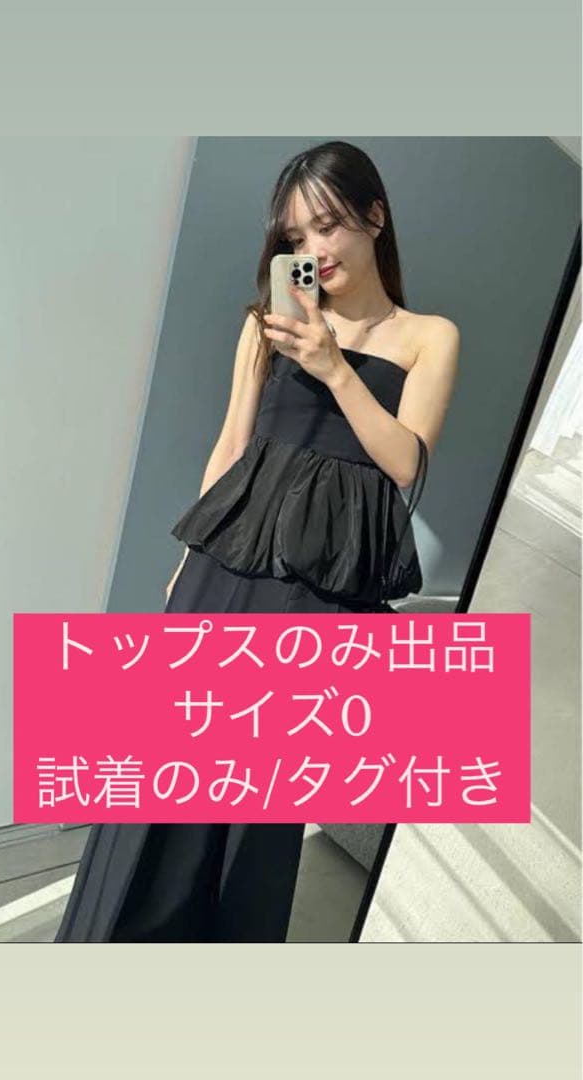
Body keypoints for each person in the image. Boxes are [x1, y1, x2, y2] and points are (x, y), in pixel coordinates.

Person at [55, 139, 459, 944]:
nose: (314, 250)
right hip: (224, 566)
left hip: (320, 587)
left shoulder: (428, 336)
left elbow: (406, 462)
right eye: (296, 236)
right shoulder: (266, 324)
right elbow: (232, 446)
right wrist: (185, 559)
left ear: (375, 216)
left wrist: (336, 369)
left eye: (329, 226)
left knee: (259, 808)